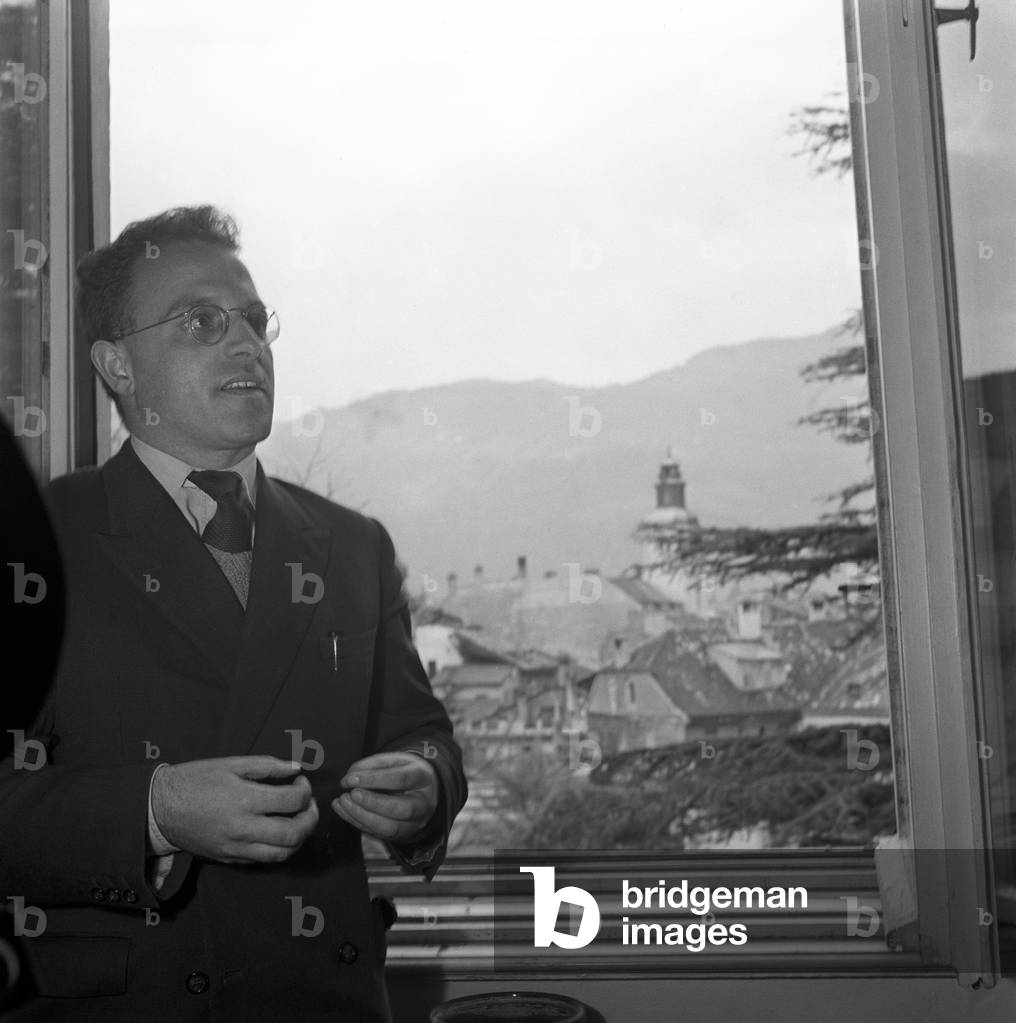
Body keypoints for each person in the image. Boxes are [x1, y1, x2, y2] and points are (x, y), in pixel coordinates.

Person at [0, 205, 467, 1023]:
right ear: (117, 366)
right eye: (202, 321)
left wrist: (424, 787)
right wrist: (155, 807)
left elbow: (421, 733)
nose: (246, 343)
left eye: (253, 319)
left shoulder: (353, 546)